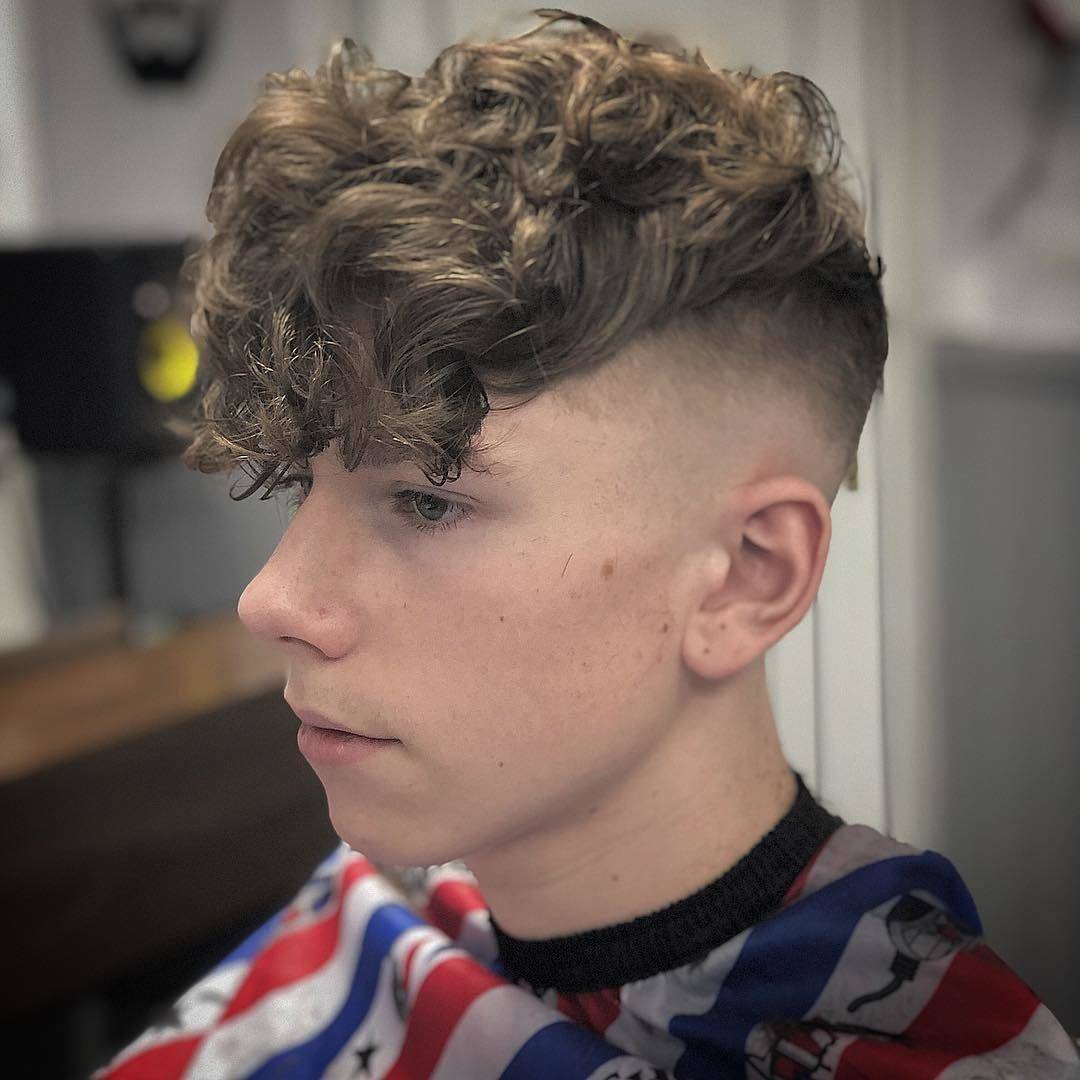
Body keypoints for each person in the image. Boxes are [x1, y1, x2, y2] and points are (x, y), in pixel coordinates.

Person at [95, 10, 1079, 1079]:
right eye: (301, 484)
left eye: (427, 502)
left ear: (747, 577)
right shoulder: (382, 926)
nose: (273, 598)